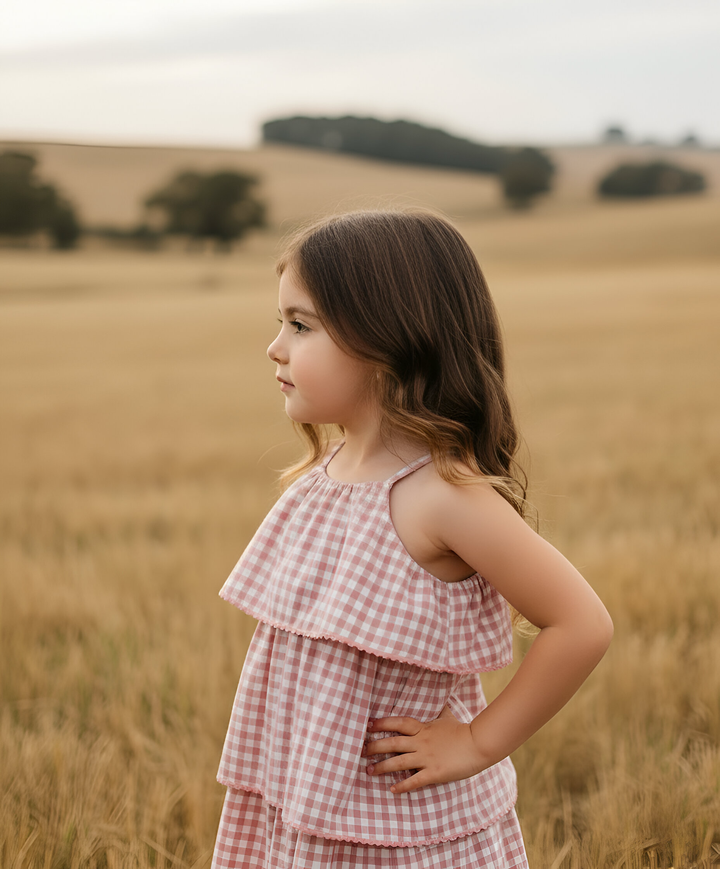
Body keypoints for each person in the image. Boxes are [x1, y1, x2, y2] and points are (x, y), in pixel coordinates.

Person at [212, 209, 613, 868]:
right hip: (309, 801)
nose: (274, 346)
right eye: (280, 322)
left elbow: (581, 622)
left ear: (391, 339)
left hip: (401, 824)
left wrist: (479, 742)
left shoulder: (441, 495)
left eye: (300, 324)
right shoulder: (321, 476)